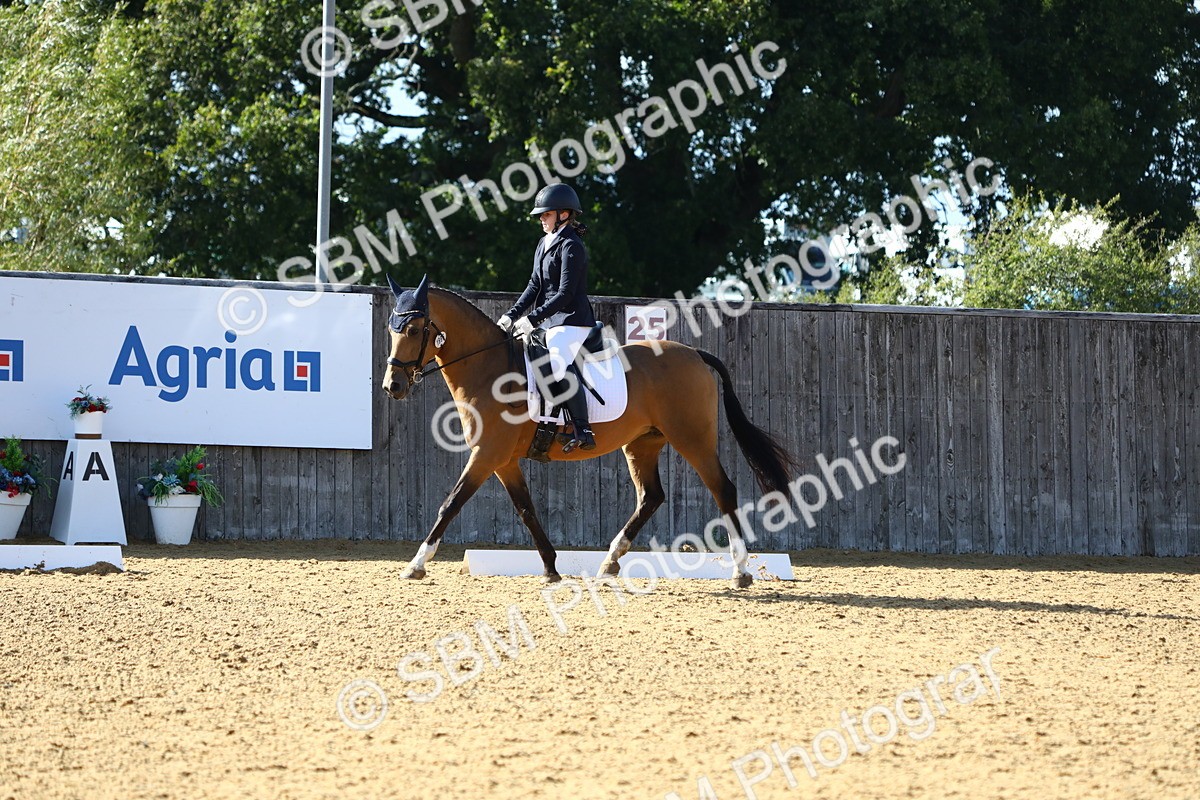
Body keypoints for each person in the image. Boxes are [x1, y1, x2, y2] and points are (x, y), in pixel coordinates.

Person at [498, 183, 597, 451]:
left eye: (546, 214)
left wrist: (533, 318)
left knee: (557, 359)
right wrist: (512, 314)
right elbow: (534, 285)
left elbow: (565, 293)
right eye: (541, 215)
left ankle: (583, 428)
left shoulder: (571, 246)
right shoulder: (544, 243)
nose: (541, 218)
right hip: (550, 320)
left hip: (572, 320)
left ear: (564, 214)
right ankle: (547, 421)